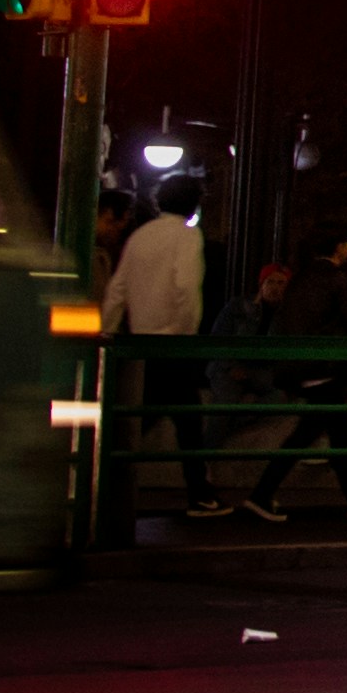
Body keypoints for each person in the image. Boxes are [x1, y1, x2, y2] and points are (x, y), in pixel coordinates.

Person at [104, 178, 215, 508]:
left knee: (143, 417)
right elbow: (187, 287)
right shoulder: (187, 235)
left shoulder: (140, 236)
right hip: (172, 344)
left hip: (140, 344)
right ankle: (200, 495)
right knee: (187, 422)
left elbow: (117, 291)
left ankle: (101, 482)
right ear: (194, 203)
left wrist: (105, 334)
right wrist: (185, 331)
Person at [245, 242, 347, 524]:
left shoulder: (299, 280)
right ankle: (262, 495)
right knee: (320, 437)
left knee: (327, 436)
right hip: (326, 369)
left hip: (302, 369)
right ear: (339, 248)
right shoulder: (337, 281)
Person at [187, 263, 291, 520]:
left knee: (279, 399)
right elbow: (219, 337)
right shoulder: (238, 307)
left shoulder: (285, 316)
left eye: (281, 284)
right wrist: (232, 365)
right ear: (261, 285)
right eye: (272, 282)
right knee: (225, 404)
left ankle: (227, 425)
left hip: (258, 372)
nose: (276, 288)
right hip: (228, 366)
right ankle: (205, 460)